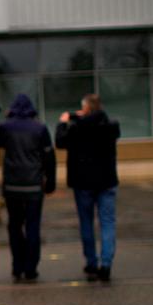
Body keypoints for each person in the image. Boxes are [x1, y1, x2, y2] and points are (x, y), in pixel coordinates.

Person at [56, 93, 121, 282]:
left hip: (83, 182)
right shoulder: (110, 127)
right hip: (106, 181)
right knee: (107, 222)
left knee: (86, 222)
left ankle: (92, 262)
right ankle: (106, 262)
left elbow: (60, 142)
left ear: (85, 108)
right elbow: (102, 122)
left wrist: (64, 122)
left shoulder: (77, 128)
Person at [0, 94, 56, 282]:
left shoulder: (6, 127)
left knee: (14, 225)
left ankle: (17, 265)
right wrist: (50, 180)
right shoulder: (40, 128)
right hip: (33, 185)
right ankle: (31, 267)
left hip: (12, 185)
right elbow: (49, 157)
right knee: (33, 226)